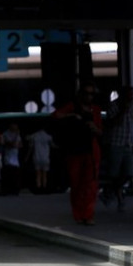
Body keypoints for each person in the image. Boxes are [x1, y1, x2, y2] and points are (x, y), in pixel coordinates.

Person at [54, 81, 103, 225]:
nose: (89, 97)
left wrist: (94, 128)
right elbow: (56, 116)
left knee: (90, 184)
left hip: (90, 150)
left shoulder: (95, 110)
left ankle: (87, 214)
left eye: (92, 94)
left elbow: (101, 131)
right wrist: (72, 116)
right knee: (76, 183)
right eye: (86, 93)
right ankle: (79, 213)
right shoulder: (72, 107)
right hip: (75, 150)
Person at [101, 85, 133, 211]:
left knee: (129, 173)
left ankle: (111, 190)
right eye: (129, 94)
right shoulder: (114, 106)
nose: (131, 97)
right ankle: (118, 196)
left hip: (128, 143)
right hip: (116, 143)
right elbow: (111, 123)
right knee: (114, 173)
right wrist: (123, 110)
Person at [26, 125, 53, 194]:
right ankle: (44, 187)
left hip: (37, 157)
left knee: (38, 174)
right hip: (45, 157)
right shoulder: (48, 136)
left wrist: (27, 157)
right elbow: (52, 144)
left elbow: (28, 140)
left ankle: (38, 187)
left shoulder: (34, 136)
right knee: (44, 174)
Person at [1, 123, 23, 194]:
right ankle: (8, 190)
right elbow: (11, 144)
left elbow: (20, 145)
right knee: (9, 175)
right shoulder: (6, 134)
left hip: (15, 158)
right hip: (8, 158)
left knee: (16, 175)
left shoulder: (18, 135)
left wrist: (17, 144)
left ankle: (15, 190)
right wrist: (16, 139)